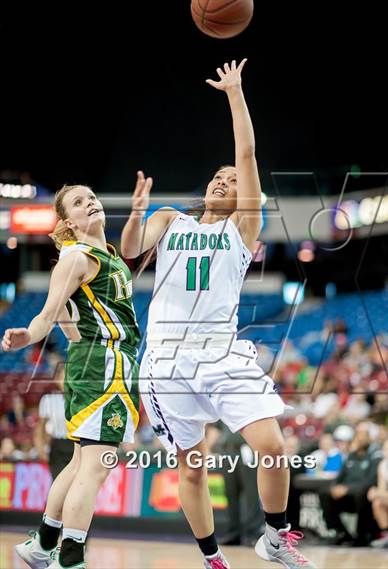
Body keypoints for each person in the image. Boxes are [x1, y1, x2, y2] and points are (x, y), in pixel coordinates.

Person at [121, 59, 316, 569]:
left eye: (231, 180)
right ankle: (212, 558)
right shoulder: (170, 219)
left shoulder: (241, 229)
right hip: (165, 360)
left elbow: (247, 152)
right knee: (192, 468)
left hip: (221, 354)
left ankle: (274, 537)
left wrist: (234, 92)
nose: (223, 181)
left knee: (272, 445)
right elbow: (128, 249)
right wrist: (138, 213)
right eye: (218, 177)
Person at [2, 183, 141, 569]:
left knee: (81, 462)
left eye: (92, 197)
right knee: (97, 466)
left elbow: (69, 320)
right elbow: (50, 314)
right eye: (79, 203)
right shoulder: (76, 257)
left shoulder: (103, 254)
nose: (91, 203)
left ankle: (43, 544)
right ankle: (71, 556)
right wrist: (28, 334)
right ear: (67, 222)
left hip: (102, 361)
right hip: (104, 364)